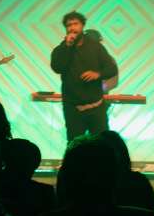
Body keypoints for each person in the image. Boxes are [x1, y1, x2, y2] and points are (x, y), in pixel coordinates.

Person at [50, 11, 118, 141]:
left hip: (96, 107)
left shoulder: (95, 47)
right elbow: (57, 67)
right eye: (69, 25)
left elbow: (111, 69)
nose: (72, 27)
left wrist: (98, 74)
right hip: (73, 109)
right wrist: (68, 46)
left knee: (102, 145)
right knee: (75, 146)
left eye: (76, 24)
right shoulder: (61, 49)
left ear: (82, 26)